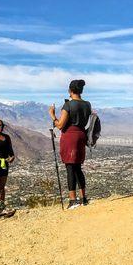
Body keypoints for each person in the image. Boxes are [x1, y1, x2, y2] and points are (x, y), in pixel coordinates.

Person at [48, 79, 92, 209]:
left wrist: (52, 115)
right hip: (81, 135)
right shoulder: (87, 104)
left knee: (70, 168)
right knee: (78, 167)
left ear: (70, 91)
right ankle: (83, 198)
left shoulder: (68, 105)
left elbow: (60, 125)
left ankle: (73, 200)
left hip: (70, 136)